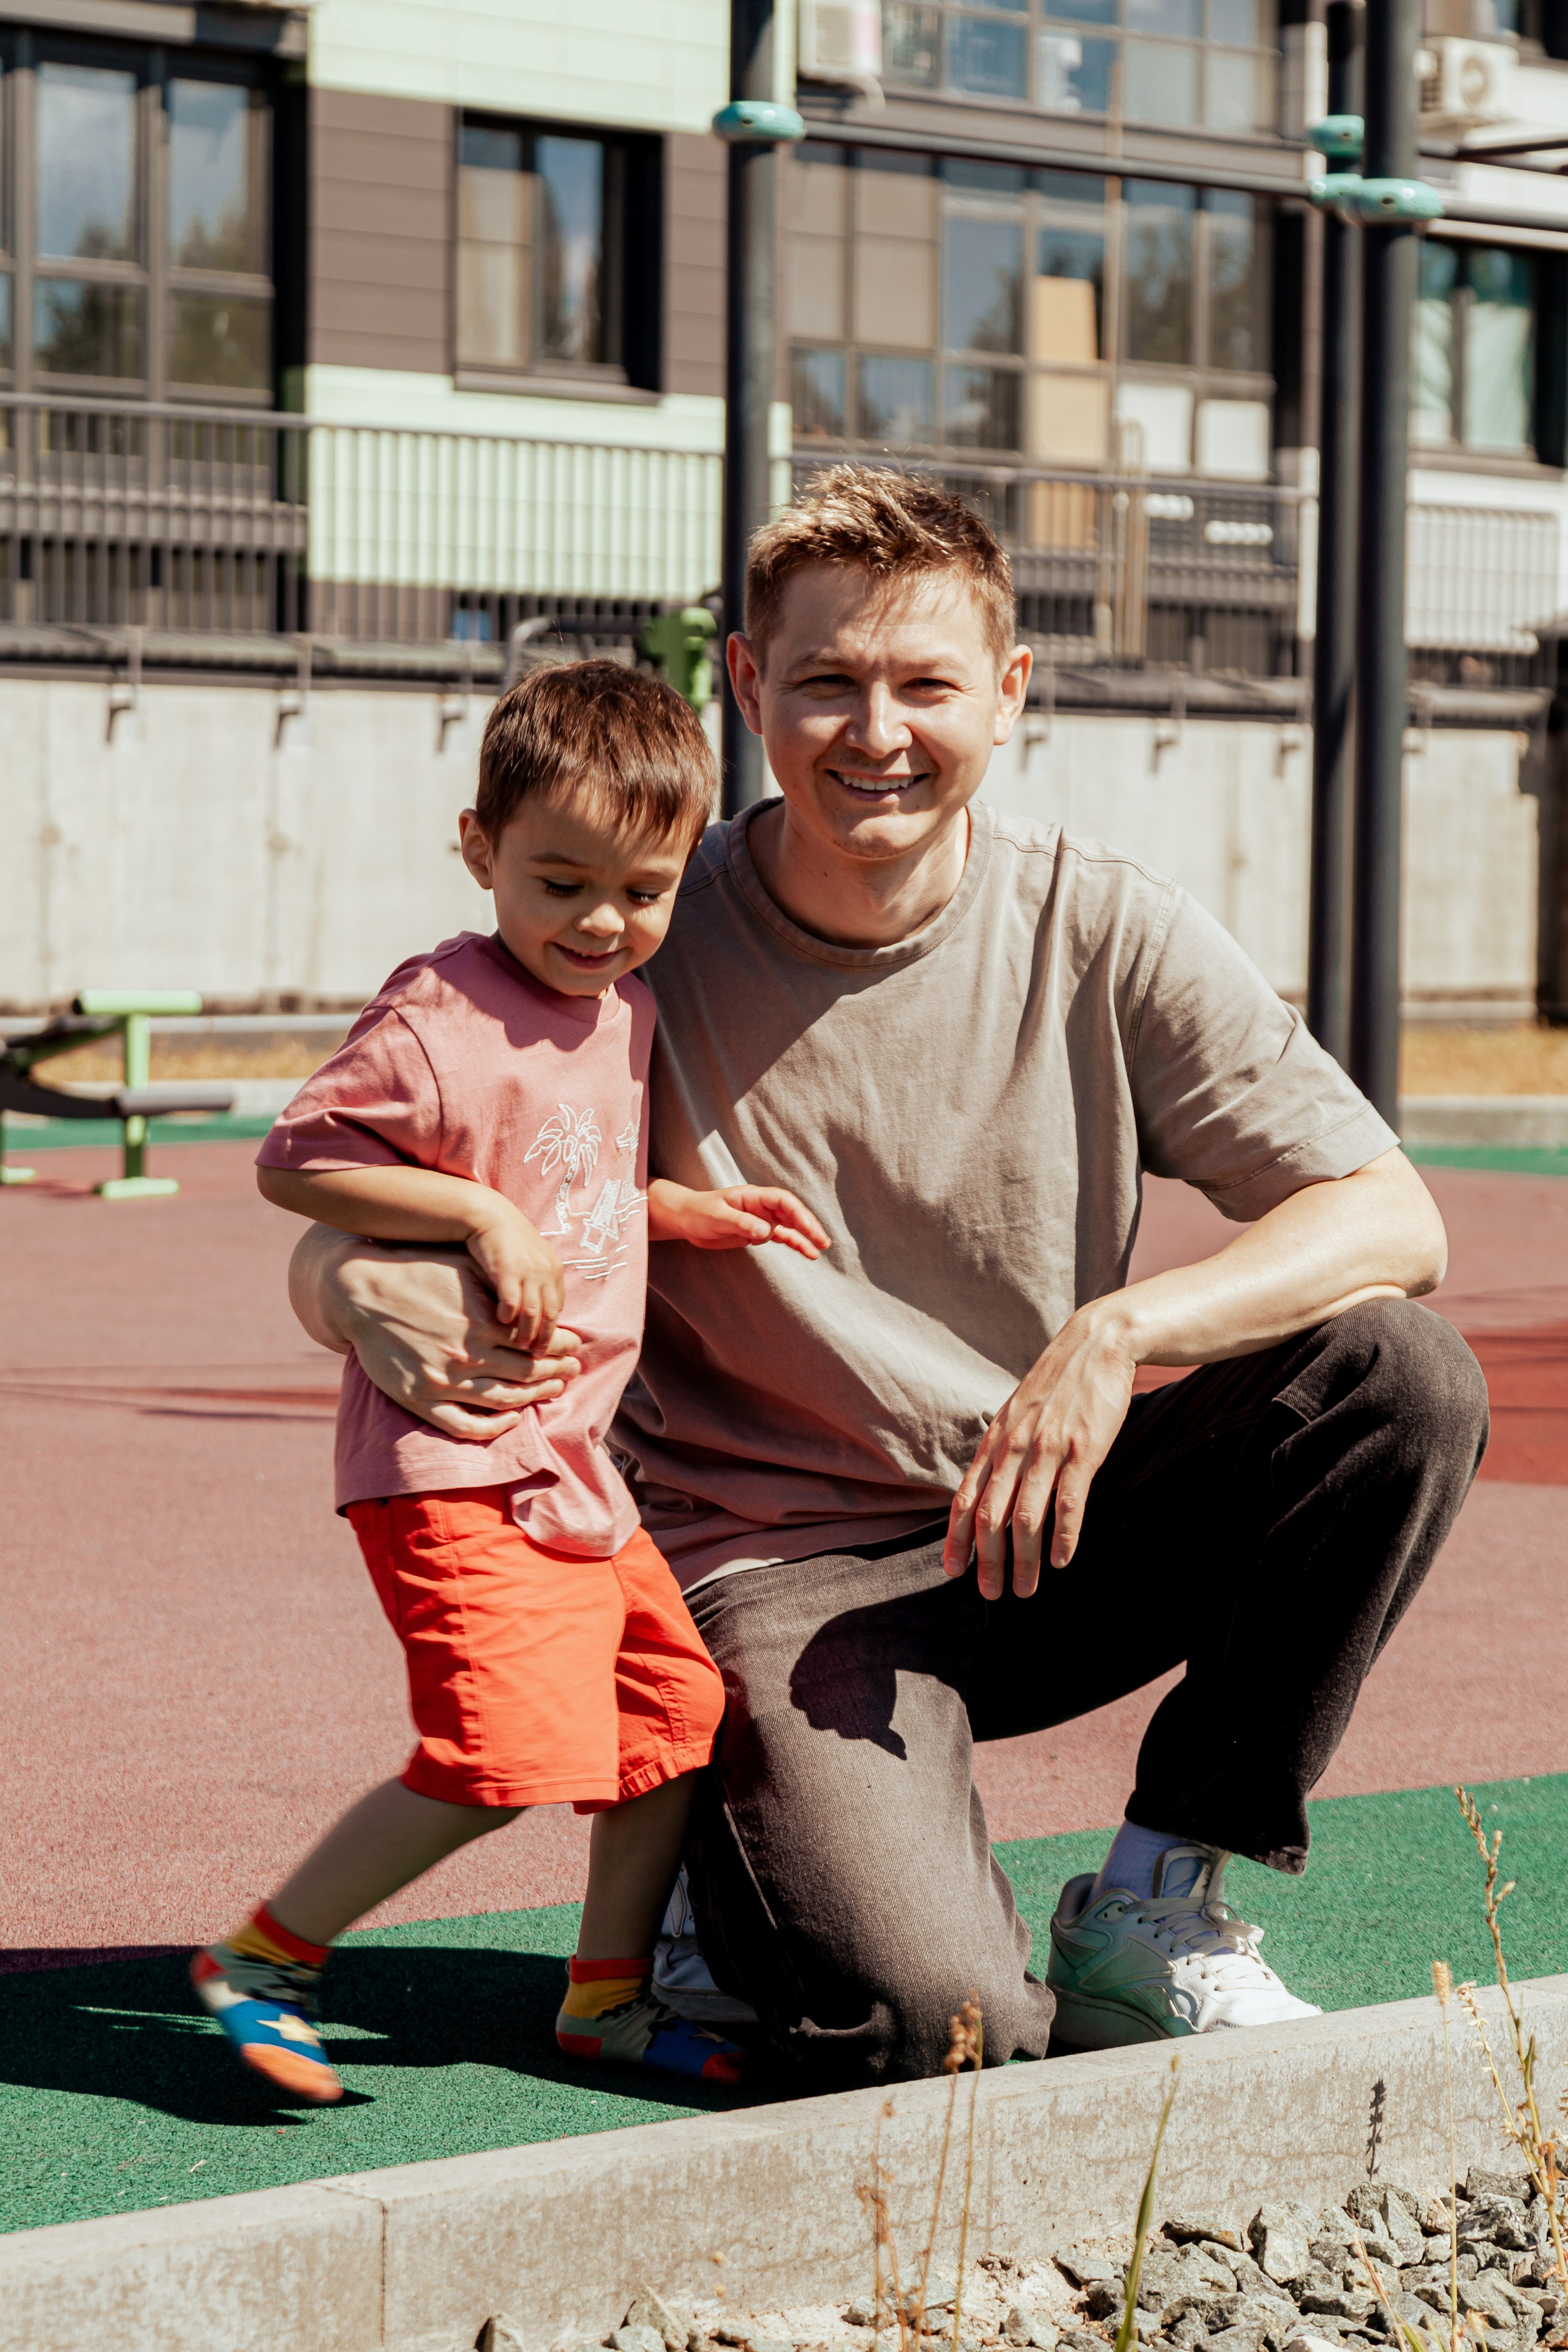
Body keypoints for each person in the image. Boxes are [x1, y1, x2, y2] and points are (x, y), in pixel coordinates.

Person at [287, 467, 1489, 2088]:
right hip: (775, 1570)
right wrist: (343, 1274)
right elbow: (395, 1184)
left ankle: (1154, 1898)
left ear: (1007, 696)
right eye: (829, 682)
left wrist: (1124, 1330)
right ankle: (749, 1853)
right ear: (746, 688)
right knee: (937, 2028)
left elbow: (1390, 1218)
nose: (877, 731)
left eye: (925, 684)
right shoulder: (632, 930)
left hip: (1037, 1516)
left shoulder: (1100, 922)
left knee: (1400, 1376)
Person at [192, 662, 826, 2105]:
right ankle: (266, 1957)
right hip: (456, 1457)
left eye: (643, 891)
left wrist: (682, 1212)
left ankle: (602, 2000)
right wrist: (471, 1223)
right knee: (497, 1756)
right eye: (559, 882)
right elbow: (296, 1157)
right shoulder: (439, 1014)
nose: (602, 922)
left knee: (671, 1713)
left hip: (572, 1470)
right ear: (478, 847)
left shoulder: (621, 1013)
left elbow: (573, 1186)